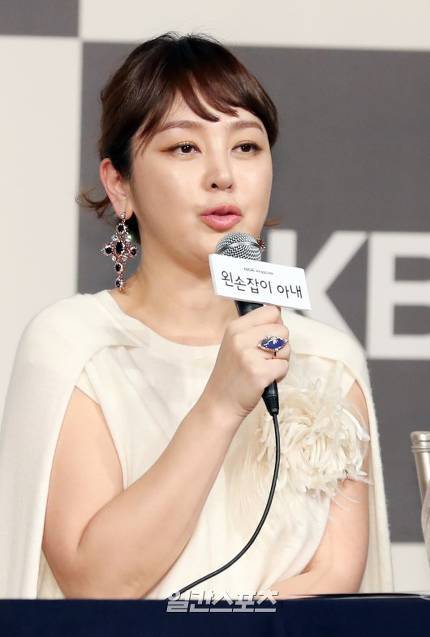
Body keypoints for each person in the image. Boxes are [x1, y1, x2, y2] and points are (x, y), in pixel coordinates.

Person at [0, 31, 394, 600]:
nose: (222, 175)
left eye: (246, 147)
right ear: (119, 184)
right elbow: (96, 582)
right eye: (184, 148)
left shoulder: (329, 362)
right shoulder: (75, 347)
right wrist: (220, 404)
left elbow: (334, 584)